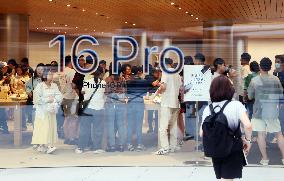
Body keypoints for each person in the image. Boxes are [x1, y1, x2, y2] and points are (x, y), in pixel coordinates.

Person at [200, 75, 252, 181]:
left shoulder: (208, 109)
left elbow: (202, 133)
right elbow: (248, 125)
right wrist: (247, 140)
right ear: (229, 89)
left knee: (223, 178)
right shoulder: (236, 105)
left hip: (215, 149)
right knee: (227, 178)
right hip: (232, 148)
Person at [248, 57, 284, 165]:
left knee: (261, 135)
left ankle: (265, 159)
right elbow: (281, 94)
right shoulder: (275, 79)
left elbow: (250, 96)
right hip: (272, 111)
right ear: (270, 67)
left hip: (259, 111)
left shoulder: (254, 80)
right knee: (279, 134)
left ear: (260, 67)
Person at [31, 65, 63, 154]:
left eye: (52, 74)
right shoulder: (40, 86)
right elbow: (36, 99)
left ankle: (43, 145)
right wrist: (47, 99)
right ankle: (48, 146)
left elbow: (59, 95)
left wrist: (54, 100)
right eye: (49, 74)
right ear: (44, 76)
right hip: (42, 111)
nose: (51, 76)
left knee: (51, 127)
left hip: (51, 110)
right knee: (44, 128)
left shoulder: (54, 85)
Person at [75, 67, 106, 154]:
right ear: (101, 74)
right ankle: (96, 148)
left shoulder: (87, 82)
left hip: (87, 108)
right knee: (98, 129)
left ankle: (80, 147)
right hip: (99, 108)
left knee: (84, 129)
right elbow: (104, 93)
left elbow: (82, 92)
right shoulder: (103, 83)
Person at [155, 58, 182, 155]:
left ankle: (165, 147)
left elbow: (164, 87)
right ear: (172, 63)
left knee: (163, 127)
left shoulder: (165, 72)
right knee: (173, 126)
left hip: (166, 102)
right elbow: (180, 88)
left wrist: (158, 88)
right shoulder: (177, 74)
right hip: (175, 102)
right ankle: (173, 147)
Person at [105, 63, 128, 152]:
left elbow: (106, 92)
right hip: (121, 104)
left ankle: (112, 146)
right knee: (121, 125)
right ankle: (121, 145)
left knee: (111, 125)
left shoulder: (107, 79)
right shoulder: (123, 79)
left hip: (110, 104)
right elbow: (125, 91)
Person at [126, 67, 148, 151]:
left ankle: (129, 144)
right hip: (139, 103)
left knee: (130, 125)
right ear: (139, 72)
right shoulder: (143, 81)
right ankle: (139, 144)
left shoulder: (128, 82)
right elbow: (145, 93)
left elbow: (126, 93)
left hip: (131, 103)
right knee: (139, 125)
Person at [60, 55, 79, 145]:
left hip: (64, 97)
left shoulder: (62, 72)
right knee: (73, 119)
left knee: (67, 119)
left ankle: (67, 137)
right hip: (72, 97)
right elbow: (73, 85)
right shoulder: (72, 72)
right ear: (71, 62)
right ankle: (72, 138)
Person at [145, 67, 161, 134]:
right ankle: (150, 128)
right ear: (153, 72)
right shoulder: (149, 77)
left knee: (158, 113)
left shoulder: (159, 78)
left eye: (158, 72)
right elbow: (154, 84)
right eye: (156, 72)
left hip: (158, 96)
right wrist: (159, 78)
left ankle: (156, 129)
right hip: (151, 95)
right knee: (150, 113)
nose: (157, 74)